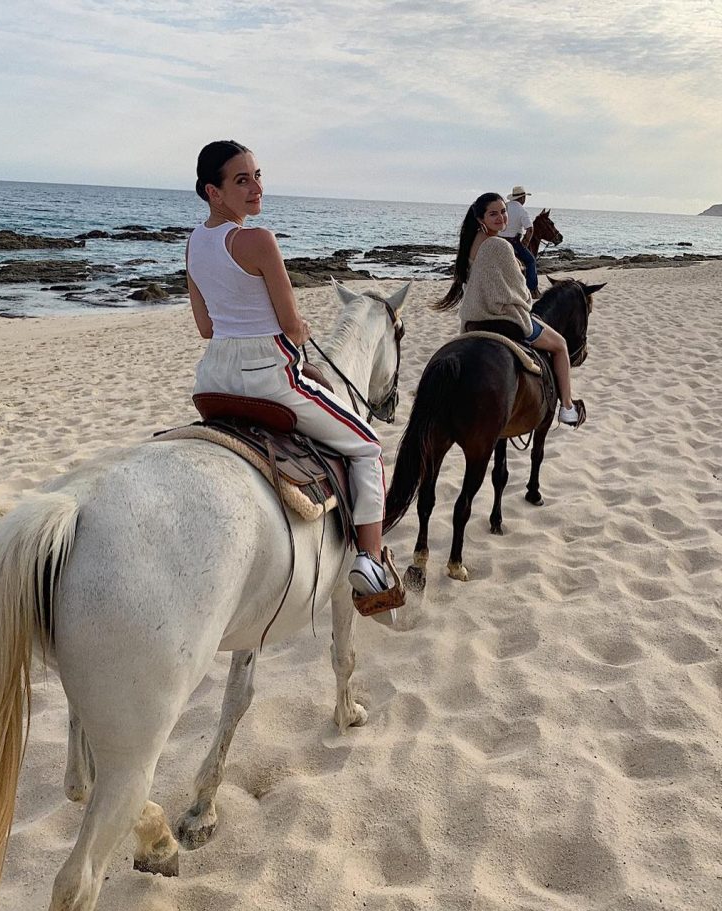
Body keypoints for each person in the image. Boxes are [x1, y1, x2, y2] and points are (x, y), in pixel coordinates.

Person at [186, 139, 402, 606]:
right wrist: (301, 327)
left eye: (257, 175)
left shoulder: (194, 244)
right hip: (269, 378)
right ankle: (369, 560)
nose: (256, 187)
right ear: (213, 192)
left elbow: (206, 328)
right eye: (241, 180)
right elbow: (290, 325)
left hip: (213, 380)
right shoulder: (258, 240)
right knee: (367, 446)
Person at [434, 193, 584, 426]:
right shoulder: (499, 245)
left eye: (503, 212)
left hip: (473, 319)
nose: (501, 217)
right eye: (493, 214)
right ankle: (567, 407)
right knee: (560, 345)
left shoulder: (472, 242)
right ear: (481, 218)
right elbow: (518, 289)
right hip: (503, 317)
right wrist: (526, 300)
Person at [499, 185, 539, 299]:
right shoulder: (521, 210)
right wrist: (525, 243)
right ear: (522, 198)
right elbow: (530, 229)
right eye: (525, 197)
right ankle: (532, 289)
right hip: (513, 242)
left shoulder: (504, 206)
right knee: (530, 261)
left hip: (498, 240)